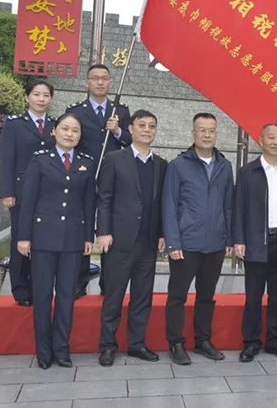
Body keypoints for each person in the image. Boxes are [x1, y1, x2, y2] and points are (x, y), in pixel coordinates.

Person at [17, 113, 96, 369]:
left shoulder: (86, 162)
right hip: (43, 238)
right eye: (65, 129)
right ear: (54, 131)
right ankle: (43, 352)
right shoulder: (40, 160)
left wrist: (88, 236)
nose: (69, 134)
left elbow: (89, 203)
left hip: (73, 239)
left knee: (66, 296)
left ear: (80, 136)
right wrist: (24, 236)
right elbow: (28, 201)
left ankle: (61, 349)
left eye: (75, 130)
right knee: (42, 296)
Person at [96, 110, 168, 367]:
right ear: (131, 128)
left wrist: (162, 234)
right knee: (113, 297)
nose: (147, 130)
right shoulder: (115, 159)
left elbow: (162, 203)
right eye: (142, 125)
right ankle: (107, 346)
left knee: (142, 297)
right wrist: (103, 231)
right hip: (119, 240)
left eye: (151, 126)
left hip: (148, 242)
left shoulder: (161, 164)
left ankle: (137, 344)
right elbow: (104, 197)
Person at [162, 112, 233, 365]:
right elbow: (169, 205)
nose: (206, 135)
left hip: (215, 244)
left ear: (216, 134)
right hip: (186, 244)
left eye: (211, 130)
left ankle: (203, 341)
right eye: (202, 130)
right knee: (177, 296)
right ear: (193, 133)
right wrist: (173, 241)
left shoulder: (225, 166)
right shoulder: (178, 165)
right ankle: (176, 343)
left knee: (206, 296)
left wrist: (229, 238)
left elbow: (228, 205)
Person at [233, 124, 277, 363]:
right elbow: (238, 207)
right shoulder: (247, 172)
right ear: (261, 140)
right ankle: (251, 343)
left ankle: (275, 342)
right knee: (253, 297)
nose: (275, 142)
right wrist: (239, 239)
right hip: (256, 241)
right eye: (270, 137)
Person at [66, 63, 132, 298]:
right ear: (87, 82)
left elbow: (131, 142)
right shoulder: (75, 111)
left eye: (104, 78)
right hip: (84, 177)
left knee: (109, 229)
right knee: (81, 229)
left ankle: (108, 283)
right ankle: (79, 282)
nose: (100, 82)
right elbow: (69, 141)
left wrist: (117, 131)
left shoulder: (120, 110)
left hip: (113, 180)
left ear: (111, 83)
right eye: (95, 78)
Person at [0, 79, 56, 307]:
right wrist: (7, 191)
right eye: (36, 94)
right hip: (21, 191)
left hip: (49, 192)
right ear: (27, 97)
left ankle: (38, 286)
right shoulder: (14, 124)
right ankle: (21, 289)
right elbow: (6, 159)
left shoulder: (55, 124)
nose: (41, 99)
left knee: (43, 239)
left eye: (46, 95)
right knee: (21, 237)